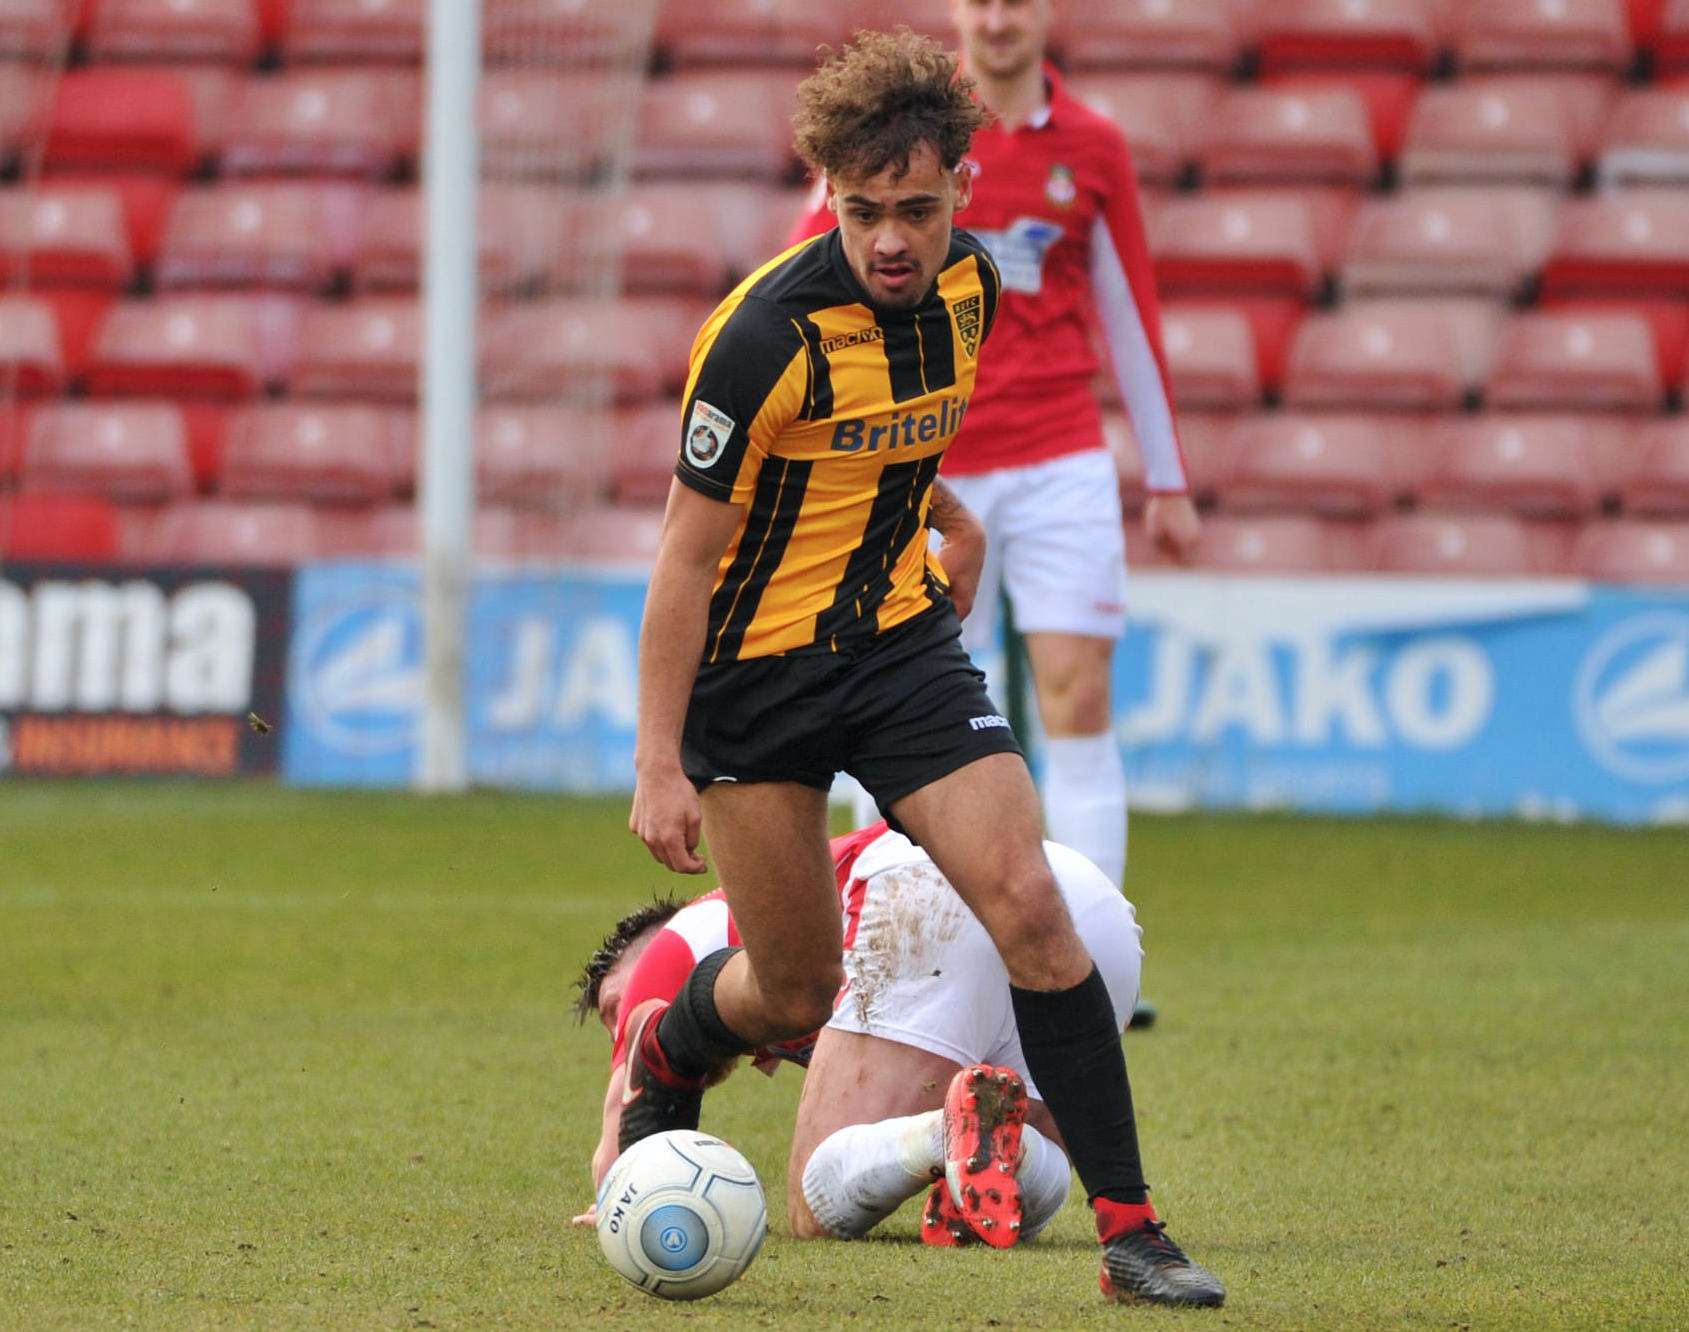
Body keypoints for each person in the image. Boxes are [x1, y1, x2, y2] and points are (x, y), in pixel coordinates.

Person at [626, 29, 1224, 1307]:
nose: (888, 238)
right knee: (792, 983)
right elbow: (682, 564)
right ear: (828, 198)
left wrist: (946, 518)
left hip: (897, 649)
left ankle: (1133, 1234)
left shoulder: (975, 291)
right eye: (860, 212)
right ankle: (667, 1053)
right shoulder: (755, 339)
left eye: (912, 207)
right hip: (755, 674)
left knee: (1031, 902)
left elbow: (877, 441)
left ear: (963, 186)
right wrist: (657, 759)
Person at [790, 0, 1200, 1031]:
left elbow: (1129, 309)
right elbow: (803, 276)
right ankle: (889, 945)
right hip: (934, 459)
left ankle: (1098, 961)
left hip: (1062, 453)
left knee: (1078, 692)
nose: (1001, 18)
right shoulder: (907, 144)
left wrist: (1169, 473)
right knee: (901, 706)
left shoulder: (1094, 148)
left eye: (1020, 0)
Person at [572, 822, 1147, 1252]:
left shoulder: (673, 947)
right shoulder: (762, 976)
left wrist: (619, 1202)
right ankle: (979, 1141)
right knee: (1020, 1154)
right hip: (1083, 906)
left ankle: (941, 1136)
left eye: (611, 1007)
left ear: (639, 949)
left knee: (815, 1201)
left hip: (932, 895)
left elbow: (622, 1136)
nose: (618, 1029)